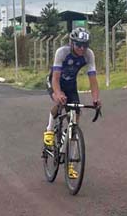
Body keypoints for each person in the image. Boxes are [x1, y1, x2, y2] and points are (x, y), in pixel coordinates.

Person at [43, 28, 101, 179]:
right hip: (55, 81)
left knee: (75, 116)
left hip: (70, 85)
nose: (82, 49)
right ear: (72, 43)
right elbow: (55, 79)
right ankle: (49, 130)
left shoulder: (89, 55)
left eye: (85, 45)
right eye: (78, 45)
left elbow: (93, 81)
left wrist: (95, 99)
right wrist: (58, 93)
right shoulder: (62, 52)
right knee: (59, 101)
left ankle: (71, 163)